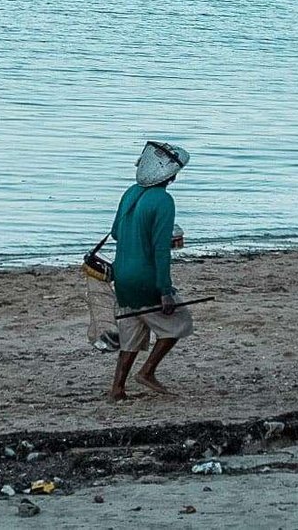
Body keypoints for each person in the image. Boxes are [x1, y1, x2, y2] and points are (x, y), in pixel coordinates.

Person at [108, 140, 192, 400]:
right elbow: (159, 252)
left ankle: (117, 389)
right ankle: (147, 372)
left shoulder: (131, 192)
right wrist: (165, 291)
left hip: (121, 276)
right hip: (146, 279)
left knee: (132, 332)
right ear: (170, 174)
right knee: (180, 323)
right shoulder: (164, 201)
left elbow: (115, 233)